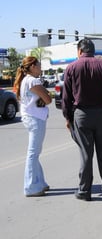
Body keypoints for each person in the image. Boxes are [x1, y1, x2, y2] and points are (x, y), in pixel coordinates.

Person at [62, 38, 102, 201]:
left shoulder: (71, 68)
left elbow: (66, 98)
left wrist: (68, 118)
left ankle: (84, 190)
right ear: (93, 51)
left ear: (79, 51)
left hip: (81, 115)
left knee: (85, 154)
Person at [13, 56, 52, 197]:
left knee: (35, 153)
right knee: (33, 154)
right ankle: (31, 187)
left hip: (30, 118)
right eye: (39, 65)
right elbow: (48, 99)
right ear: (32, 67)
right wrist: (47, 95)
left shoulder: (25, 80)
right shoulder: (33, 81)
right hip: (35, 119)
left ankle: (40, 183)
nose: (41, 67)